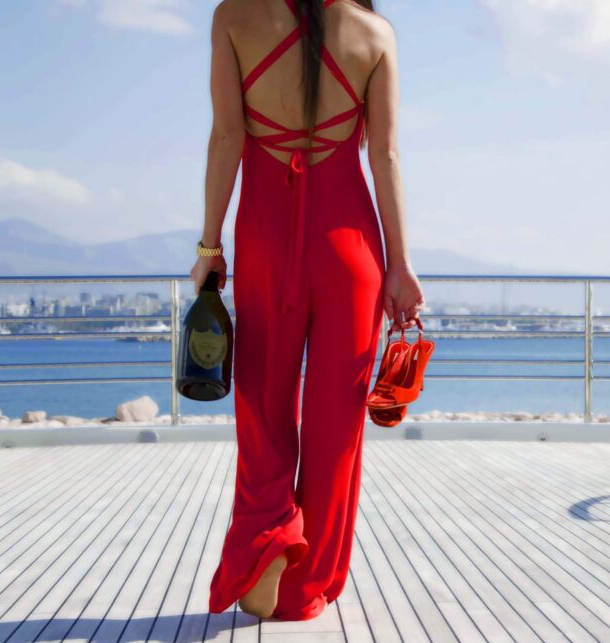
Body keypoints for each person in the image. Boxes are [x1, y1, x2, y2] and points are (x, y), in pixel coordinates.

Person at [190, 0, 424, 621]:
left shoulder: (235, 18)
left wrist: (210, 246)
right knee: (335, 427)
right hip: (351, 248)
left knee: (262, 401)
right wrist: (400, 264)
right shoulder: (375, 33)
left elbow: (227, 136)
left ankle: (270, 538)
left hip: (266, 236)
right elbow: (386, 158)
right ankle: (303, 586)